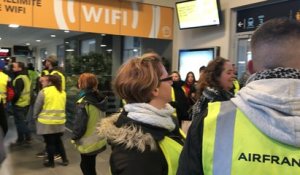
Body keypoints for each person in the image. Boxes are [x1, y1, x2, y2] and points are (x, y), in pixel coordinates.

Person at [177, 18, 300, 175]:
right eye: (228, 72)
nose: (233, 76)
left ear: (250, 67)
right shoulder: (211, 107)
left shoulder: (212, 120)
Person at [97, 53, 185, 175]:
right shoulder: (136, 155)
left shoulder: (166, 122)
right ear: (155, 89)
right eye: (168, 78)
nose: (172, 82)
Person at [71, 73, 107, 175]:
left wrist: (74, 137)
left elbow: (79, 125)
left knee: (85, 166)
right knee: (90, 165)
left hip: (88, 142)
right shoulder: (101, 98)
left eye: (79, 81)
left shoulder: (84, 102)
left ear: (82, 84)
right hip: (98, 139)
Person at [33, 75, 68, 168]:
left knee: (50, 143)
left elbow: (37, 106)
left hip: (46, 122)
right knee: (58, 141)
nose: (42, 83)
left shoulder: (44, 92)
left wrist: (35, 116)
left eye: (44, 81)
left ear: (50, 82)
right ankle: (65, 160)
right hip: (60, 121)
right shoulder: (62, 92)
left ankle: (51, 162)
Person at [12, 62, 31, 145]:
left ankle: (27, 136)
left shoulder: (19, 79)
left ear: (20, 68)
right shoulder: (26, 77)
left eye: (14, 67)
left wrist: (13, 102)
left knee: (20, 122)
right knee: (21, 121)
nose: (12, 68)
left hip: (19, 104)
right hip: (26, 103)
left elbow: (17, 93)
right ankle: (21, 138)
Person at [0, 60, 10, 135]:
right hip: (3, 101)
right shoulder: (6, 77)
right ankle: (4, 133)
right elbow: (10, 91)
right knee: (3, 119)